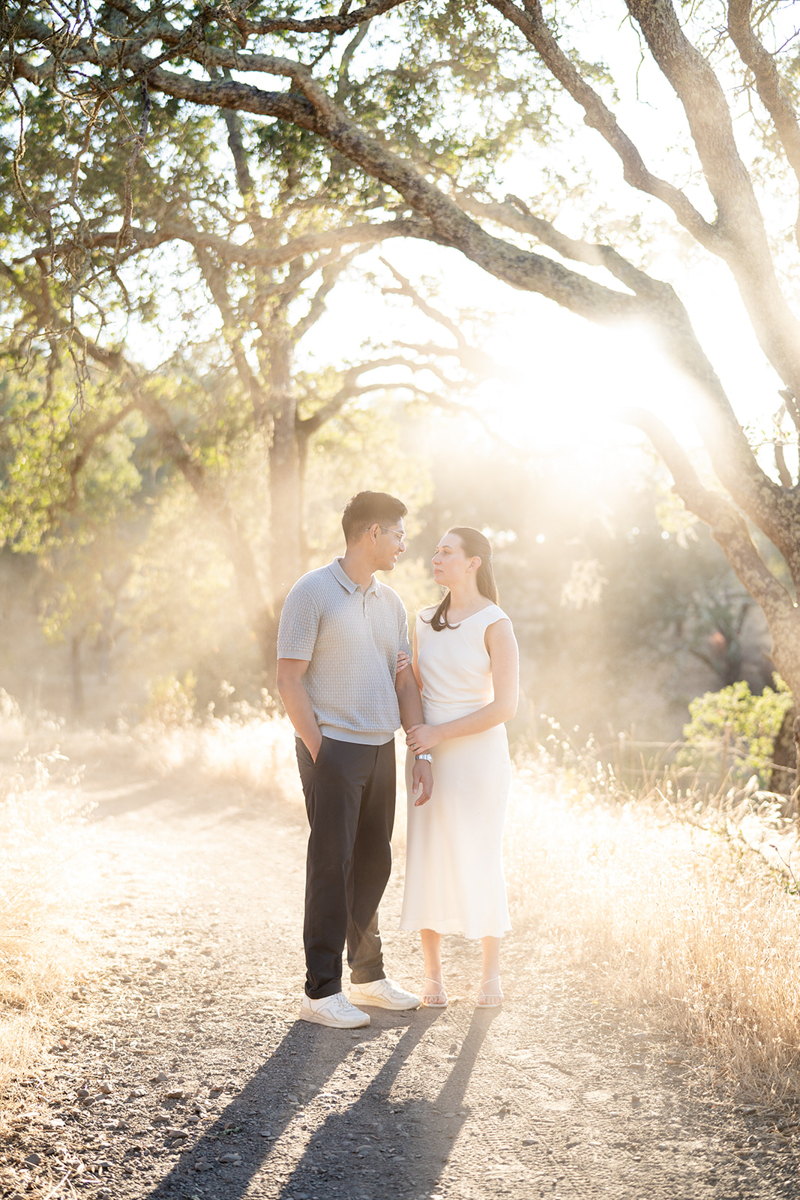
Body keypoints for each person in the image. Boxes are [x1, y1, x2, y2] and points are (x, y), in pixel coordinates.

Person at [277, 491, 434, 1029]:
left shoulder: (390, 602)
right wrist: (321, 750)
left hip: (379, 745)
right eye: (397, 534)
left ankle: (367, 977)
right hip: (334, 747)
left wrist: (419, 748)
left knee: (373, 862)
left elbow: (402, 678)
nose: (403, 545)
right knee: (331, 864)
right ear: (371, 533)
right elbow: (288, 678)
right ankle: (321, 992)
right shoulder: (313, 591)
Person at [398, 526, 518, 1008]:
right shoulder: (424, 620)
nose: (436, 557)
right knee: (426, 853)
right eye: (436, 551)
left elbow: (505, 706)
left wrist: (439, 734)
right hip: (428, 754)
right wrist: (422, 747)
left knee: (480, 853)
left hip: (479, 758)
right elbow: (420, 690)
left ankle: (490, 978)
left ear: (473, 562)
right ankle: (433, 979)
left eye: (447, 552)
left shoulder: (496, 623)